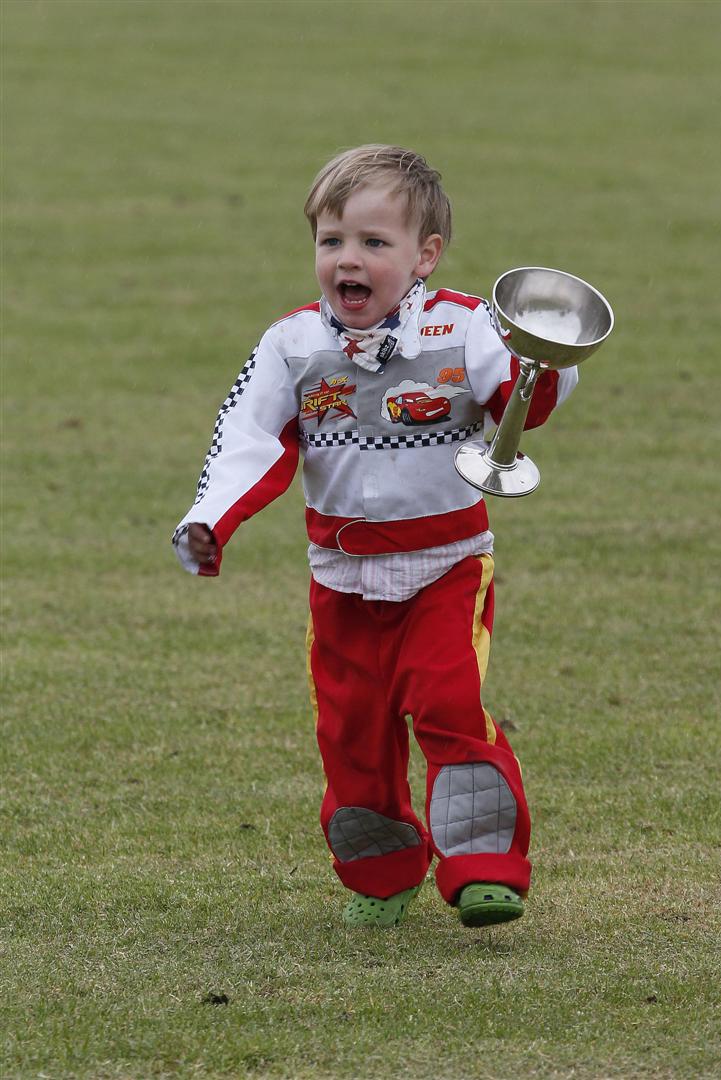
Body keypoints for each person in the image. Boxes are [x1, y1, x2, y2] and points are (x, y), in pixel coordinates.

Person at [173, 145, 577, 929]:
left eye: (373, 243)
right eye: (332, 242)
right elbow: (248, 440)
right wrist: (209, 521)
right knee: (351, 731)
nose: (347, 260)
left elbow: (521, 396)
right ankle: (382, 869)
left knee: (449, 704)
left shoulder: (467, 325)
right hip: (341, 577)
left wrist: (542, 366)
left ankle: (484, 864)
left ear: (425, 256)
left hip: (447, 565)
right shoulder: (291, 346)